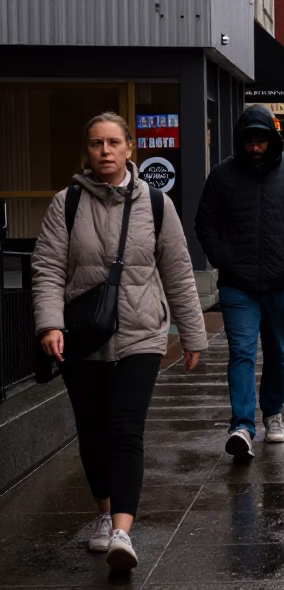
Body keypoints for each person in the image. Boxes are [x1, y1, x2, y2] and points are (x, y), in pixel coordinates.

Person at [32, 113, 207, 571]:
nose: (105, 151)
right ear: (86, 151)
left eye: (113, 142)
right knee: (92, 431)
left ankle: (123, 534)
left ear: (130, 148)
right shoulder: (65, 203)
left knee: (127, 430)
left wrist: (192, 333)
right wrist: (50, 324)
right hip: (84, 335)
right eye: (96, 144)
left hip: (141, 334)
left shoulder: (155, 203)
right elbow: (48, 269)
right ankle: (104, 514)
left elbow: (177, 270)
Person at [196, 105, 284, 462]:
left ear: (272, 139)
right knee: (241, 351)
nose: (255, 147)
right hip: (238, 284)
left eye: (261, 140)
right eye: (249, 141)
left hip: (281, 281)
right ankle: (241, 425)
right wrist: (223, 257)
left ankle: (272, 414)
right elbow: (204, 222)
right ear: (241, 141)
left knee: (277, 352)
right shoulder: (223, 176)